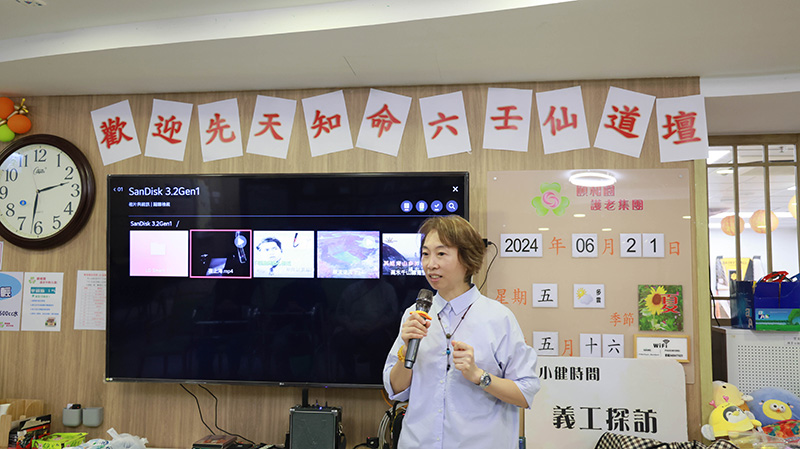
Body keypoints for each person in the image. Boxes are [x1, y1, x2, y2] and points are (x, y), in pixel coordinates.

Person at [383, 215, 540, 449]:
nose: (430, 264)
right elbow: (395, 390)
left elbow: (525, 392)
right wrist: (406, 351)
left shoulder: (498, 318)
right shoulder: (414, 314)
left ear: (467, 258)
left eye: (441, 254)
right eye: (425, 254)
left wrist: (479, 376)